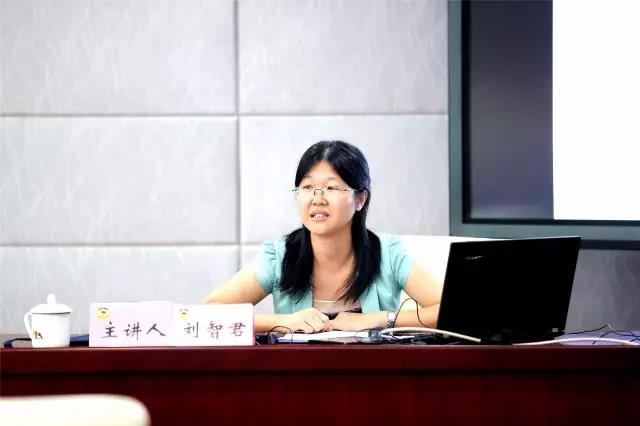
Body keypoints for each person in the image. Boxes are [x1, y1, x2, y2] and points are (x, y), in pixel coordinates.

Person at [203, 141, 442, 333]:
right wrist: (282, 322)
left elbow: (454, 312)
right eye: (307, 187)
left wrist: (380, 319)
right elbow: (206, 312)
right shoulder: (279, 256)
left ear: (360, 199)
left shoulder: (388, 253)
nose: (318, 199)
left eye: (331, 188)